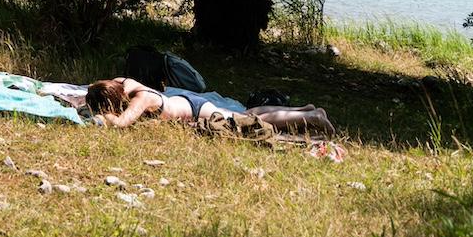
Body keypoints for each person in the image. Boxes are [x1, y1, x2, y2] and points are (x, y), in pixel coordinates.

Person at [84, 77, 334, 136]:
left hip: (196, 109)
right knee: (247, 114)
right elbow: (111, 84)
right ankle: (305, 109)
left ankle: (312, 117)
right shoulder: (125, 83)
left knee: (245, 121)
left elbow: (122, 122)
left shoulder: (141, 100)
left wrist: (102, 119)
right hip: (184, 101)